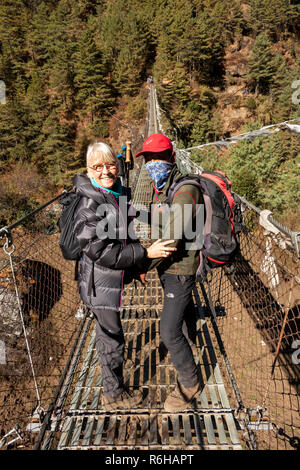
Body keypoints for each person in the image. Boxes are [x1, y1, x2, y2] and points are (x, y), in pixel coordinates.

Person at [73, 141, 176, 410]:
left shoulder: (113, 192)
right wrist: (144, 254)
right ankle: (113, 396)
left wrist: (136, 267)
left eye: (110, 165)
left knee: (109, 334)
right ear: (88, 170)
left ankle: (112, 374)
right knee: (112, 338)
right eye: (98, 167)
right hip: (100, 284)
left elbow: (125, 231)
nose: (106, 171)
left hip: (110, 279)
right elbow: (102, 251)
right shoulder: (88, 204)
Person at [135, 133, 204, 412]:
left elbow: (174, 237)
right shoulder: (162, 187)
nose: (153, 163)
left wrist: (141, 265)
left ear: (172, 158)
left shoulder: (186, 191)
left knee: (167, 329)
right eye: (149, 158)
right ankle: (192, 345)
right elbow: (163, 220)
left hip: (180, 268)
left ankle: (190, 383)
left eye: (159, 157)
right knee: (183, 314)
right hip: (168, 265)